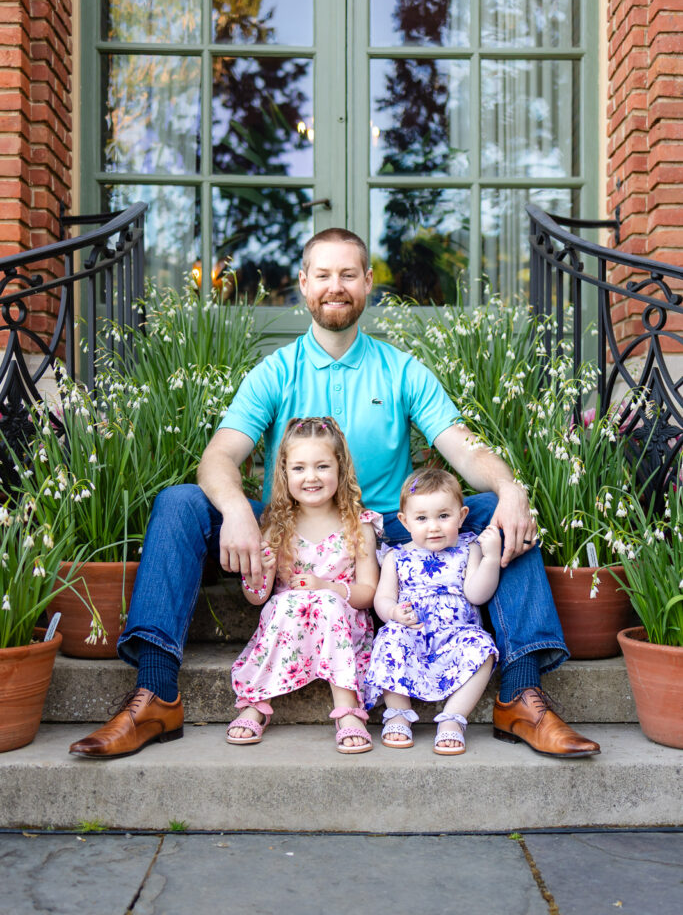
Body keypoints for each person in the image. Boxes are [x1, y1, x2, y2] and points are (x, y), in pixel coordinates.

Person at [69, 227, 600, 760]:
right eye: (322, 274)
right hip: (289, 527)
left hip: (388, 527)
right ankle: (157, 692)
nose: (335, 286)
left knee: (490, 509)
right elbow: (218, 457)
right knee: (179, 502)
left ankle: (522, 696)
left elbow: (462, 447)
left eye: (348, 274)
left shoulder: (401, 369)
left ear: (368, 282)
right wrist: (236, 510)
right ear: (303, 284)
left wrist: (510, 487)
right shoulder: (276, 371)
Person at [226, 416, 379, 754]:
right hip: (289, 622)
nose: (311, 477)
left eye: (322, 466)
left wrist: (329, 587)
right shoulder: (277, 527)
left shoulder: (359, 525)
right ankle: (256, 702)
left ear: (340, 469)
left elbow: (369, 594)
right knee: (284, 602)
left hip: (341, 621)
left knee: (324, 603)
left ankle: (348, 707)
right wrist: (259, 573)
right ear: (284, 473)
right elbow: (256, 599)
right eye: (298, 468)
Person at [364, 467, 499, 755]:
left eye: (443, 516)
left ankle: (453, 718)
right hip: (412, 631)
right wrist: (394, 612)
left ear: (461, 516)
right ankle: (398, 713)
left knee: (484, 649)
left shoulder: (468, 549)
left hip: (457, 635)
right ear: (404, 521)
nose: (434, 526)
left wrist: (491, 559)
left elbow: (476, 593)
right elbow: (383, 598)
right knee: (389, 640)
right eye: (422, 518)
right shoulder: (395, 556)